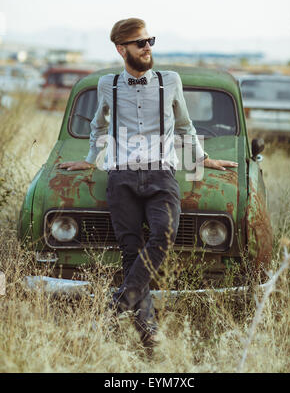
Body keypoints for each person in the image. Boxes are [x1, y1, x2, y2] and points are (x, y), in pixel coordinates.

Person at [59, 18, 238, 347]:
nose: (147, 47)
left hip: (161, 174)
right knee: (130, 249)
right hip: (121, 175)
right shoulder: (107, 85)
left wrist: (202, 159)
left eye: (149, 41)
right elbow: (98, 125)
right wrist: (90, 158)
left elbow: (184, 124)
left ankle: (118, 306)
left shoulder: (170, 81)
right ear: (121, 49)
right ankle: (149, 331)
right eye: (139, 43)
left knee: (164, 234)